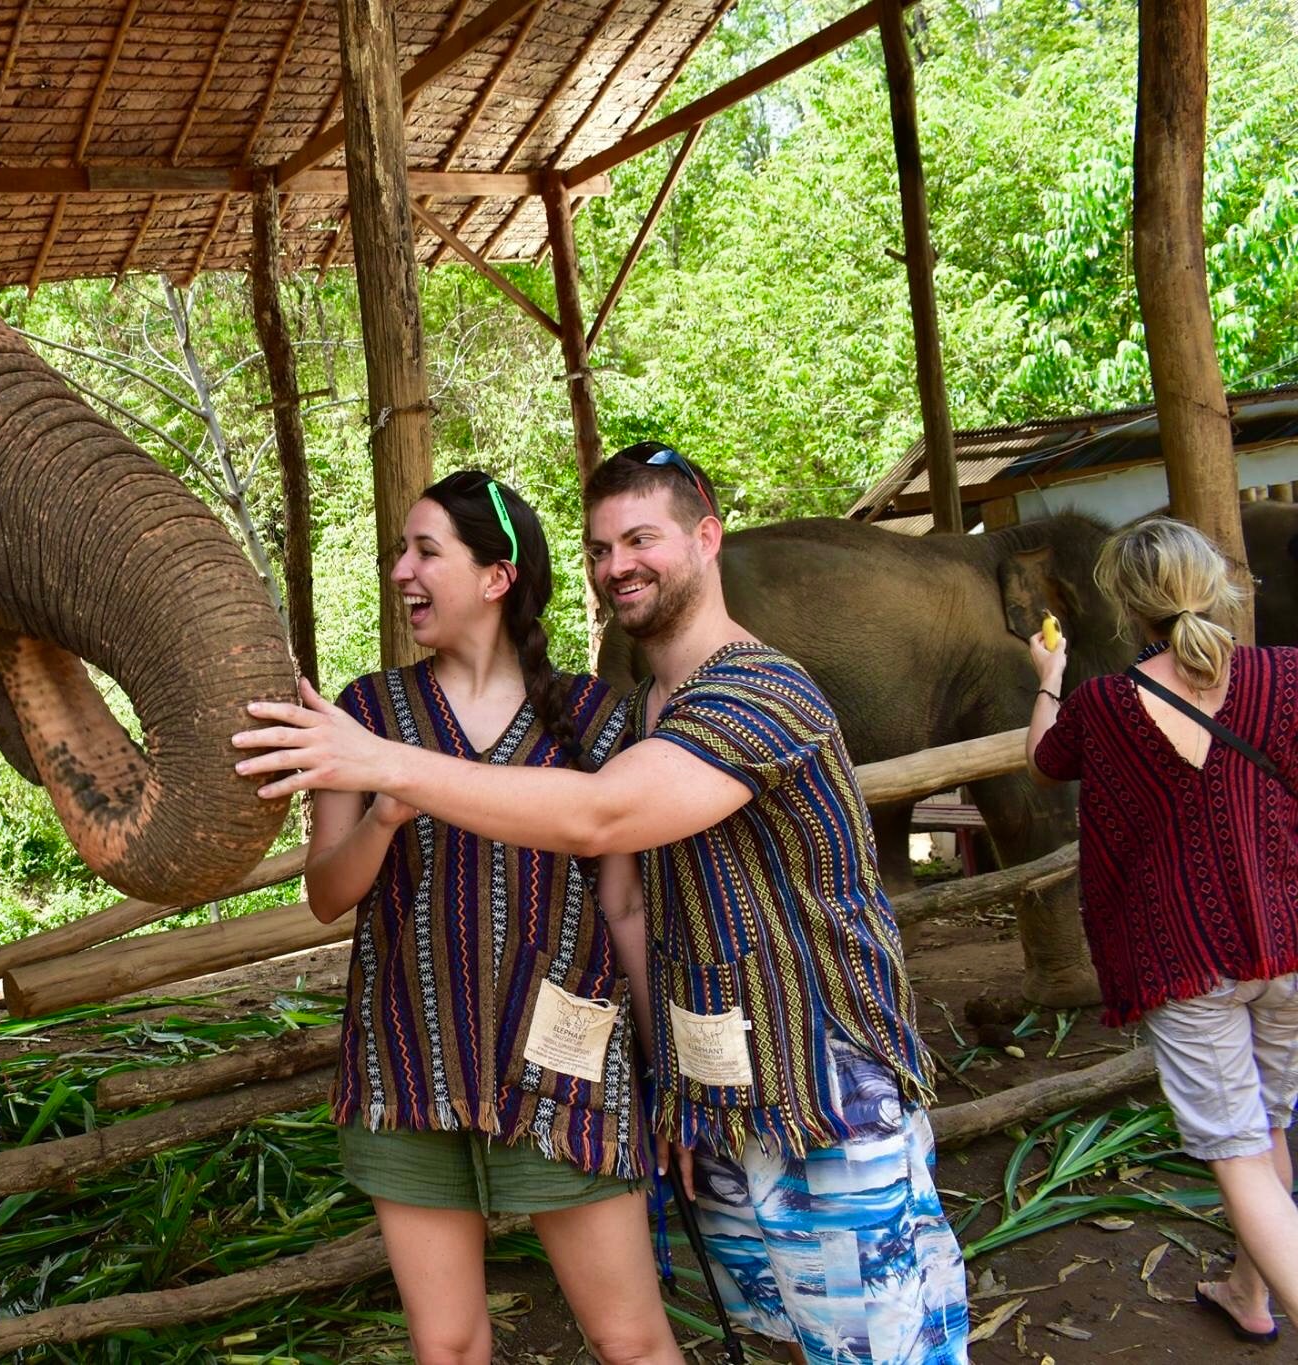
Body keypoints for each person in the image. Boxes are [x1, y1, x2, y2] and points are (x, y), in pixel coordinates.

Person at [237, 445, 968, 1365]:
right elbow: (334, 893)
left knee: (857, 1345)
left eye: (640, 539)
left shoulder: (734, 694)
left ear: (706, 537)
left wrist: (388, 767)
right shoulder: (651, 705)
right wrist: (675, 1089)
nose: (617, 563)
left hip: (817, 1084)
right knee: (784, 1334)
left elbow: (605, 837)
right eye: (599, 548)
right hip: (694, 1090)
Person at [303, 470, 680, 1365]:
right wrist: (385, 811)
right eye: (401, 551)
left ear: (496, 576)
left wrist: (660, 1066)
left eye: (425, 551)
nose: (401, 569)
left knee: (628, 1339)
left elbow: (624, 902)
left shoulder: (596, 716)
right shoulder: (365, 715)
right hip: (410, 1065)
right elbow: (325, 892)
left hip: (569, 1068)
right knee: (448, 1346)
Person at [1026, 515, 1298, 1345]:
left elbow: (1044, 759)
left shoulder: (1104, 704)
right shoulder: (1287, 675)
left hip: (1186, 958)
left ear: (1126, 604)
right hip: (1288, 941)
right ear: (1217, 585)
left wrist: (1049, 678)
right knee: (1270, 1123)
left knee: (1239, 1151)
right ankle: (1249, 1293)